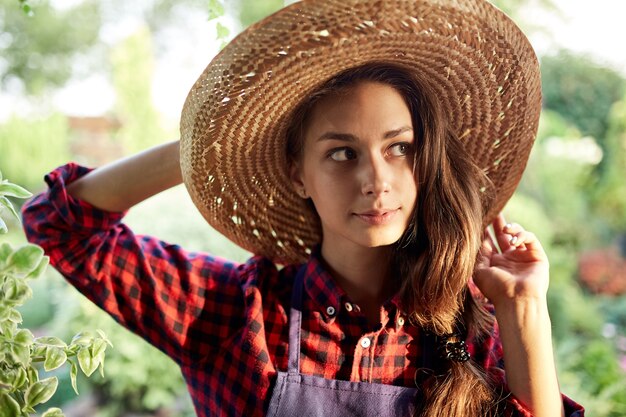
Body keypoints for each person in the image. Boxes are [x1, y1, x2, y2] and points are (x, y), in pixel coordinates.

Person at [22, 0, 585, 416]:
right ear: (297, 173)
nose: (375, 181)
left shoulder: (469, 330)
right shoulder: (229, 315)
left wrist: (523, 308)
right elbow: (60, 223)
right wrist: (206, 145)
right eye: (342, 153)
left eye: (399, 148)